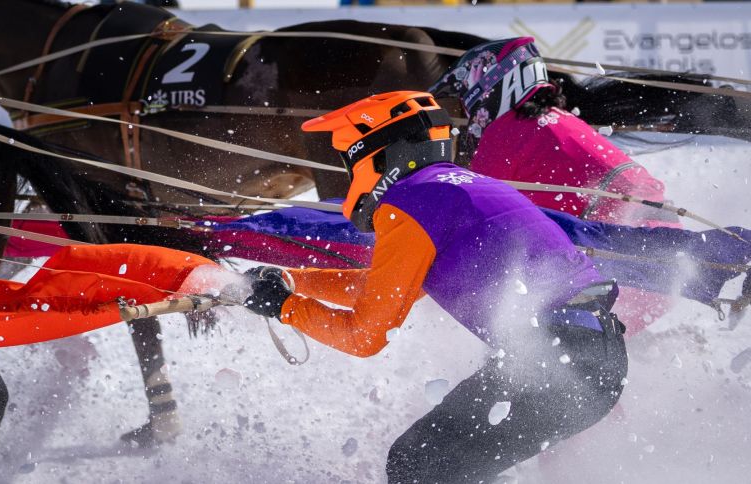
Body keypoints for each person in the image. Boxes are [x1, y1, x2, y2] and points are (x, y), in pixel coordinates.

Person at [243, 91, 628, 483]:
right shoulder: (461, 188)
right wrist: (294, 281)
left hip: (557, 358)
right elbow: (383, 289)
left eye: (350, 161)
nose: (350, 174)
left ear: (378, 154)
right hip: (589, 355)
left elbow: (364, 336)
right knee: (438, 465)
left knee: (418, 464)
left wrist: (285, 307)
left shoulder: (410, 203)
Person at [430, 37, 680, 335]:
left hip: (618, 266)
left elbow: (467, 216)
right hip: (659, 255)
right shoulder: (558, 118)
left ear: (490, 84)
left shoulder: (503, 134)